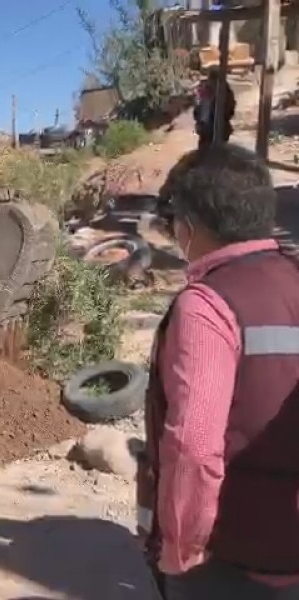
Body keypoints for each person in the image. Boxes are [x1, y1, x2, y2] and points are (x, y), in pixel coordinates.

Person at [138, 143, 299, 599]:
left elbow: (193, 447)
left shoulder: (206, 305)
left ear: (189, 226)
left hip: (234, 558)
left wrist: (181, 551)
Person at [193, 66, 236, 149]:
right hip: (212, 130)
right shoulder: (207, 90)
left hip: (215, 130)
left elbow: (198, 111)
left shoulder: (224, 91)